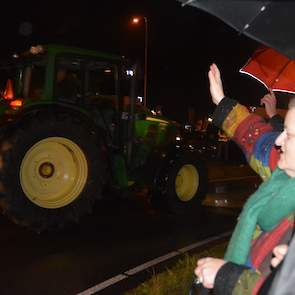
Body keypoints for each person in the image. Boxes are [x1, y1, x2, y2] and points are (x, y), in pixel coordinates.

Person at [194, 63, 295, 295]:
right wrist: (222, 102)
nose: (278, 142)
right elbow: (260, 140)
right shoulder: (285, 174)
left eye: (288, 134)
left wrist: (227, 277)